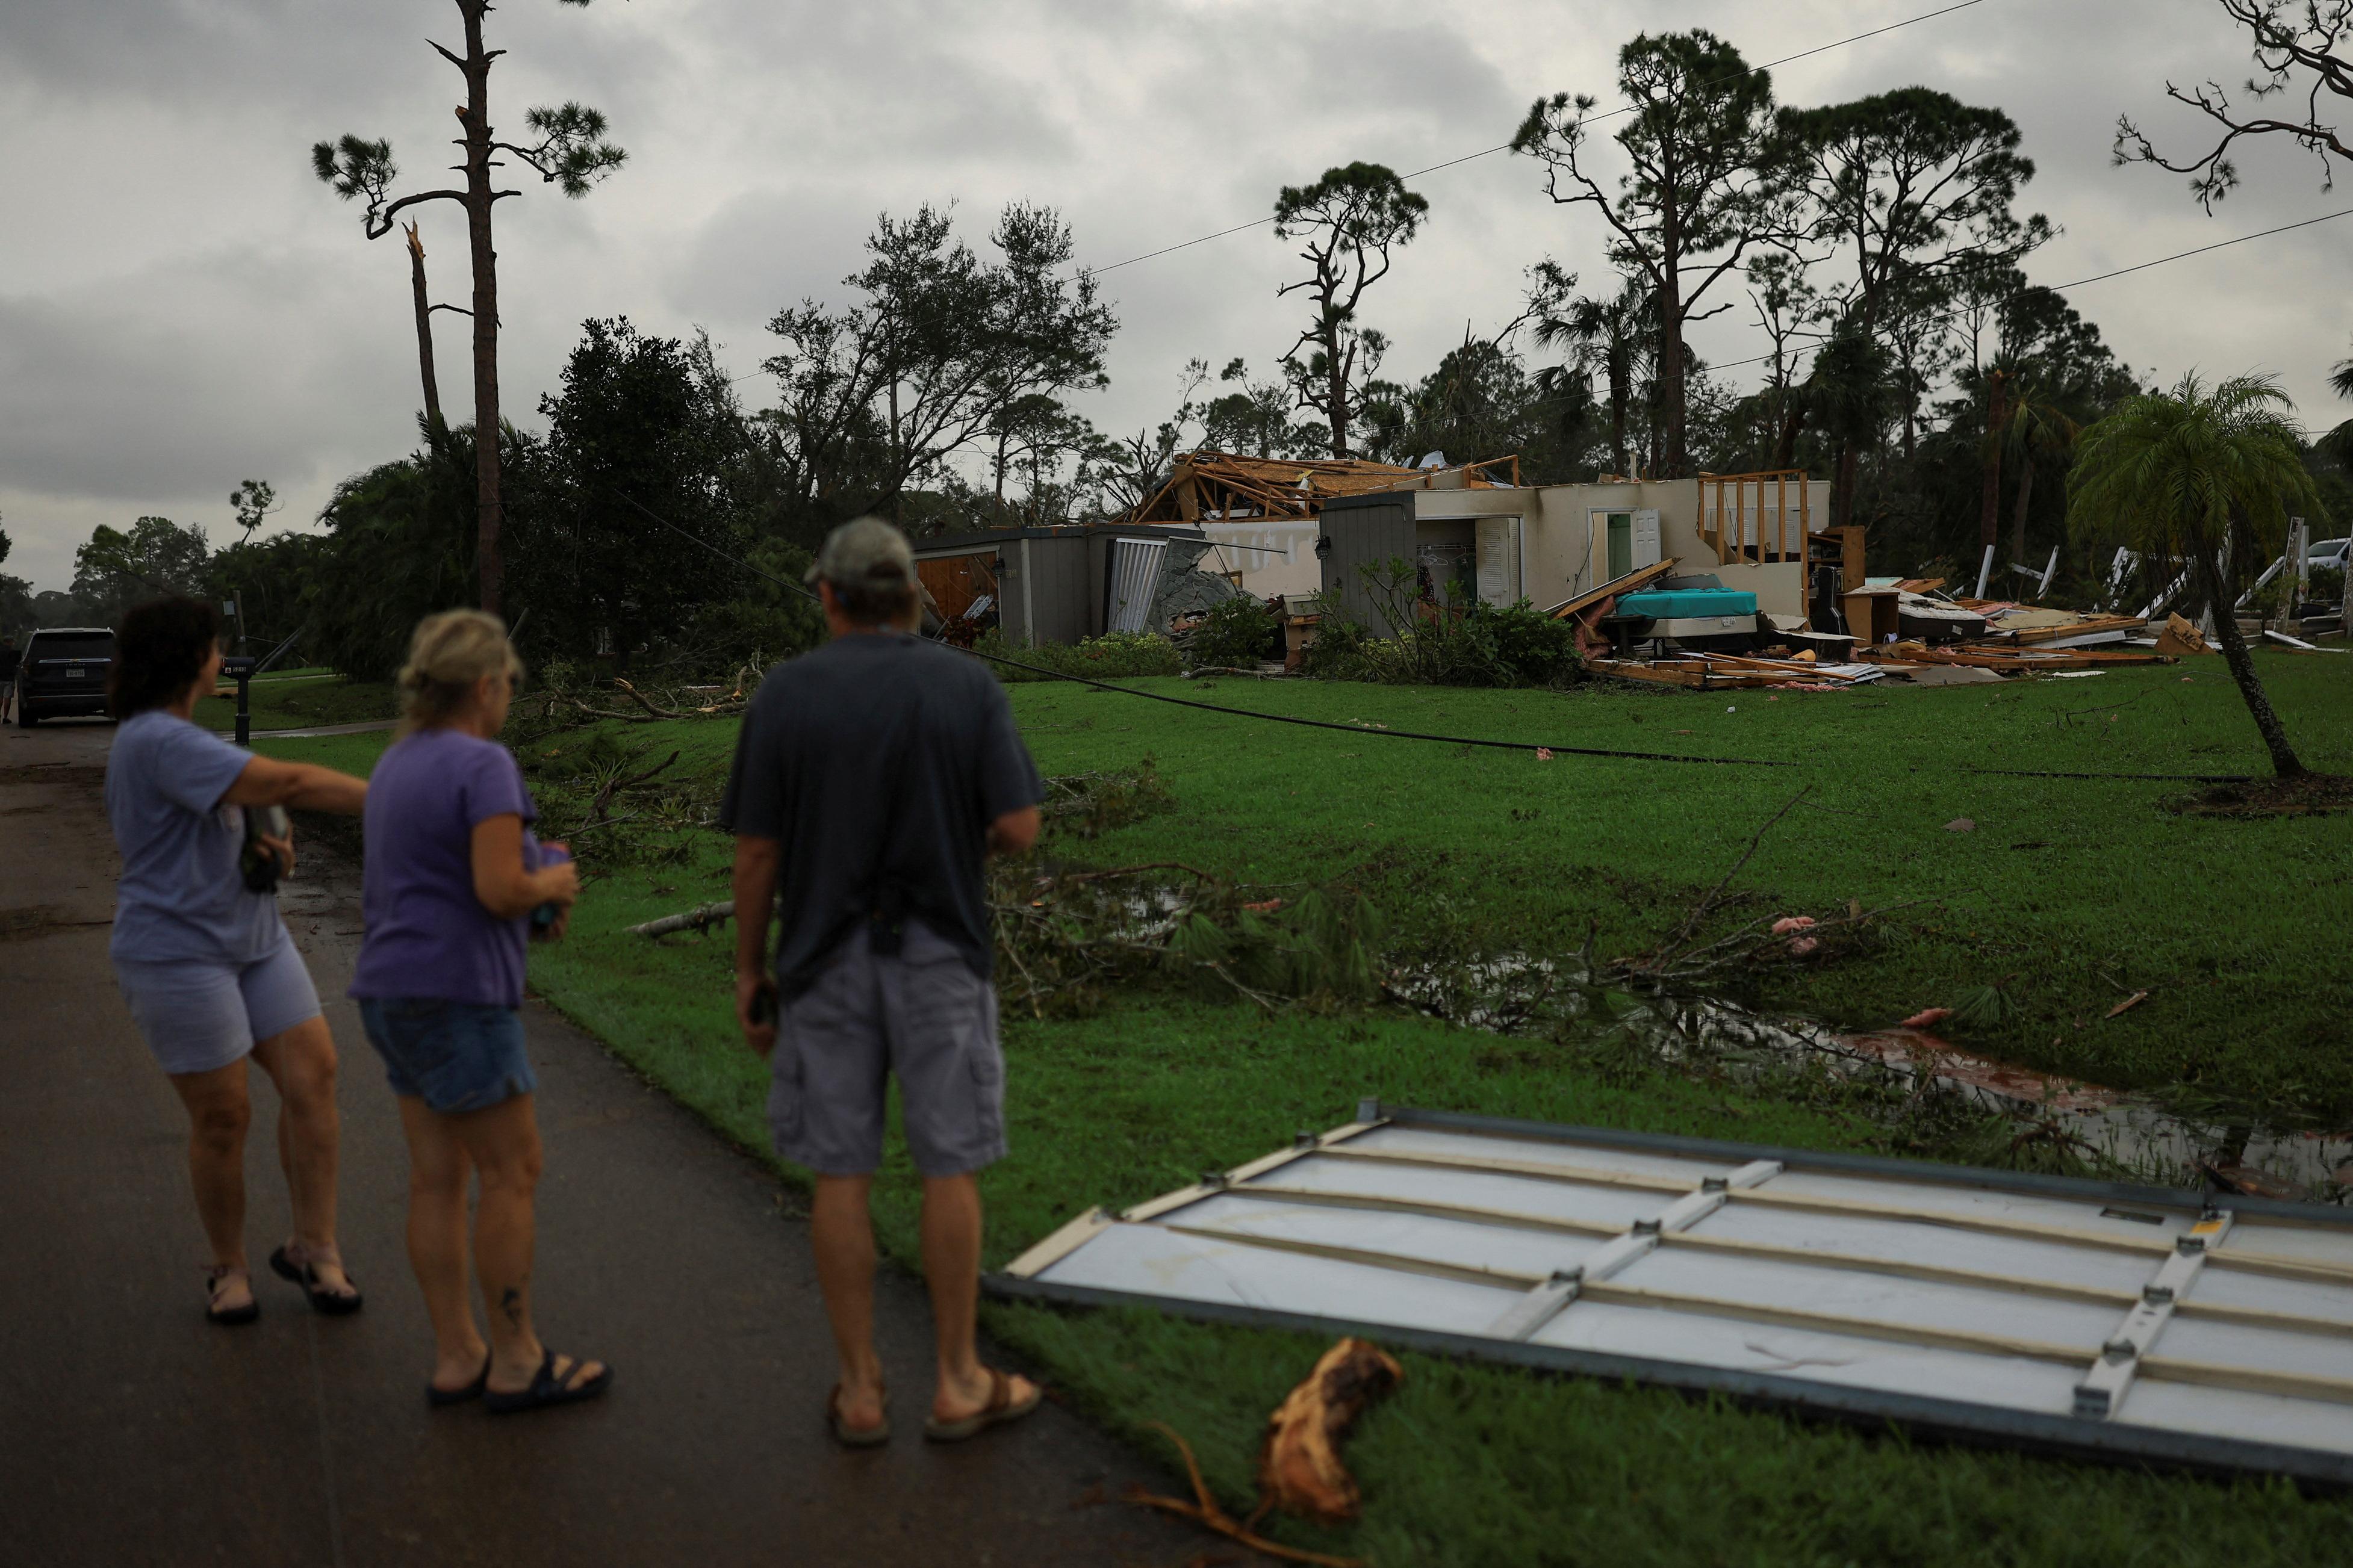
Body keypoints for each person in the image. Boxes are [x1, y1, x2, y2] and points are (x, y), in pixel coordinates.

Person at [724, 516, 1044, 1448]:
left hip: (822, 965)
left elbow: (755, 854)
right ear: (913, 598)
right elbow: (1021, 827)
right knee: (949, 1164)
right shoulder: (965, 684)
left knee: (842, 1170)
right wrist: (957, 841)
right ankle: (956, 1381)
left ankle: (861, 1392)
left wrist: (751, 969)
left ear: (826, 595)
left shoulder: (785, 694)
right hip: (943, 955)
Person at [350, 610, 609, 1414]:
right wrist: (552, 886)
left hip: (390, 991)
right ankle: (516, 1358)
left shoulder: (397, 762)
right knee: (511, 1169)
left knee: (436, 1178)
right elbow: (500, 888)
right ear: (488, 685)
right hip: (459, 996)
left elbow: (444, 874)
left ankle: (459, 1353)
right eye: (509, 686)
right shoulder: (485, 762)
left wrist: (526, 881)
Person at [102, 596, 370, 1325]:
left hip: (254, 941)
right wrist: (396, 799)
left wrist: (265, 850)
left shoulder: (182, 738)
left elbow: (248, 813)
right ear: (195, 658)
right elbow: (286, 783)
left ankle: (315, 1249)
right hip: (177, 954)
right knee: (224, 1115)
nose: (222, 657)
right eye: (216, 647)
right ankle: (228, 1267)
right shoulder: (155, 738)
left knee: (312, 1077)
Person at [1, 633, 19, 722]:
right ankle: (5, 717)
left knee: (0, 698)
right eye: (13, 642)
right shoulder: (13, 652)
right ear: (10, 642)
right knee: (7, 698)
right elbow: (16, 664)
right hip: (9, 678)